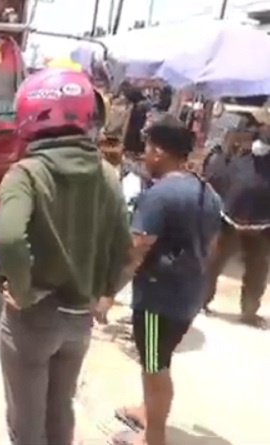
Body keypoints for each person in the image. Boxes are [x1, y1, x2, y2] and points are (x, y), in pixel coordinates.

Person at [0, 68, 131, 445]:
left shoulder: (25, 173)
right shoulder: (108, 175)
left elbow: (7, 234)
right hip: (79, 320)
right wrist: (105, 294)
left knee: (27, 423)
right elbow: (126, 250)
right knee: (60, 411)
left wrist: (22, 290)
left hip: (33, 319)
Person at [114, 113, 222, 445]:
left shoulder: (159, 195)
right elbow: (212, 245)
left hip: (157, 300)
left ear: (159, 151)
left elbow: (136, 250)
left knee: (154, 365)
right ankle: (148, 411)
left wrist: (106, 292)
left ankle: (153, 437)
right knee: (161, 357)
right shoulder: (208, 193)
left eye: (147, 149)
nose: (144, 156)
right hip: (188, 295)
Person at [201, 118, 270, 326]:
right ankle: (200, 300)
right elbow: (219, 180)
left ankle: (249, 312)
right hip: (230, 218)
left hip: (264, 224)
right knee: (214, 261)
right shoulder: (238, 160)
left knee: (257, 268)